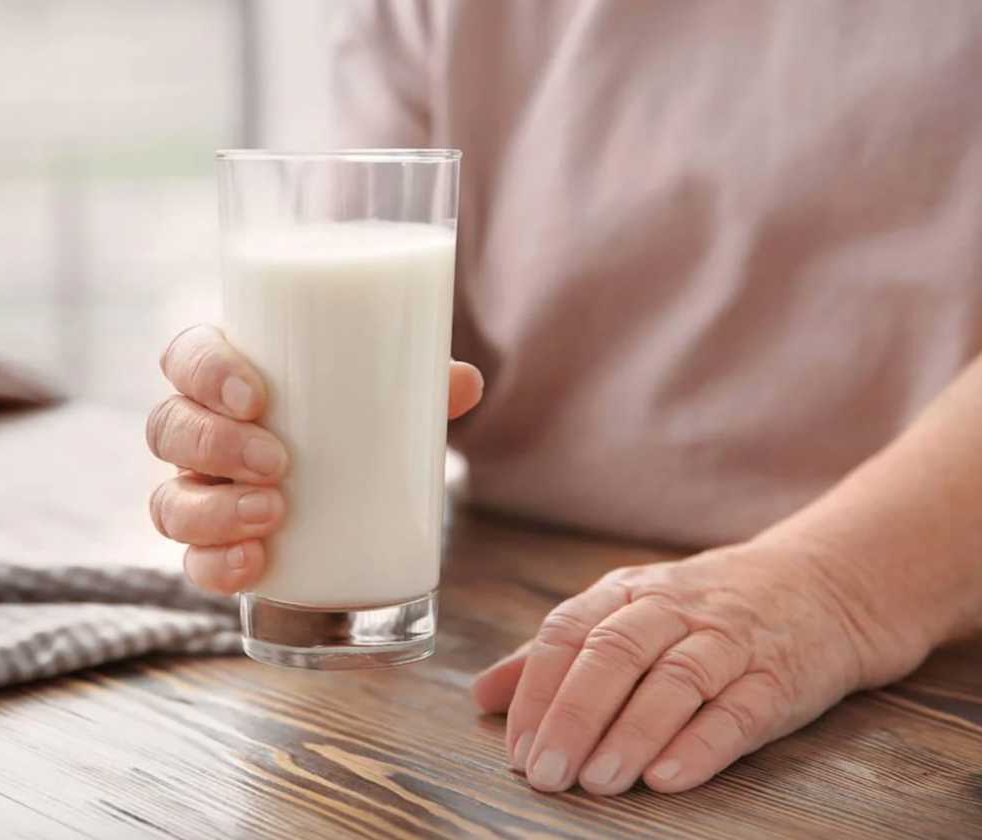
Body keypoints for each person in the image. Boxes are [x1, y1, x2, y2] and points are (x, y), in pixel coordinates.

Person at [145, 0, 982, 796]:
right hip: (509, 582)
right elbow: (357, 293)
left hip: (915, 611)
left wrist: (838, 585)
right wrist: (235, 400)